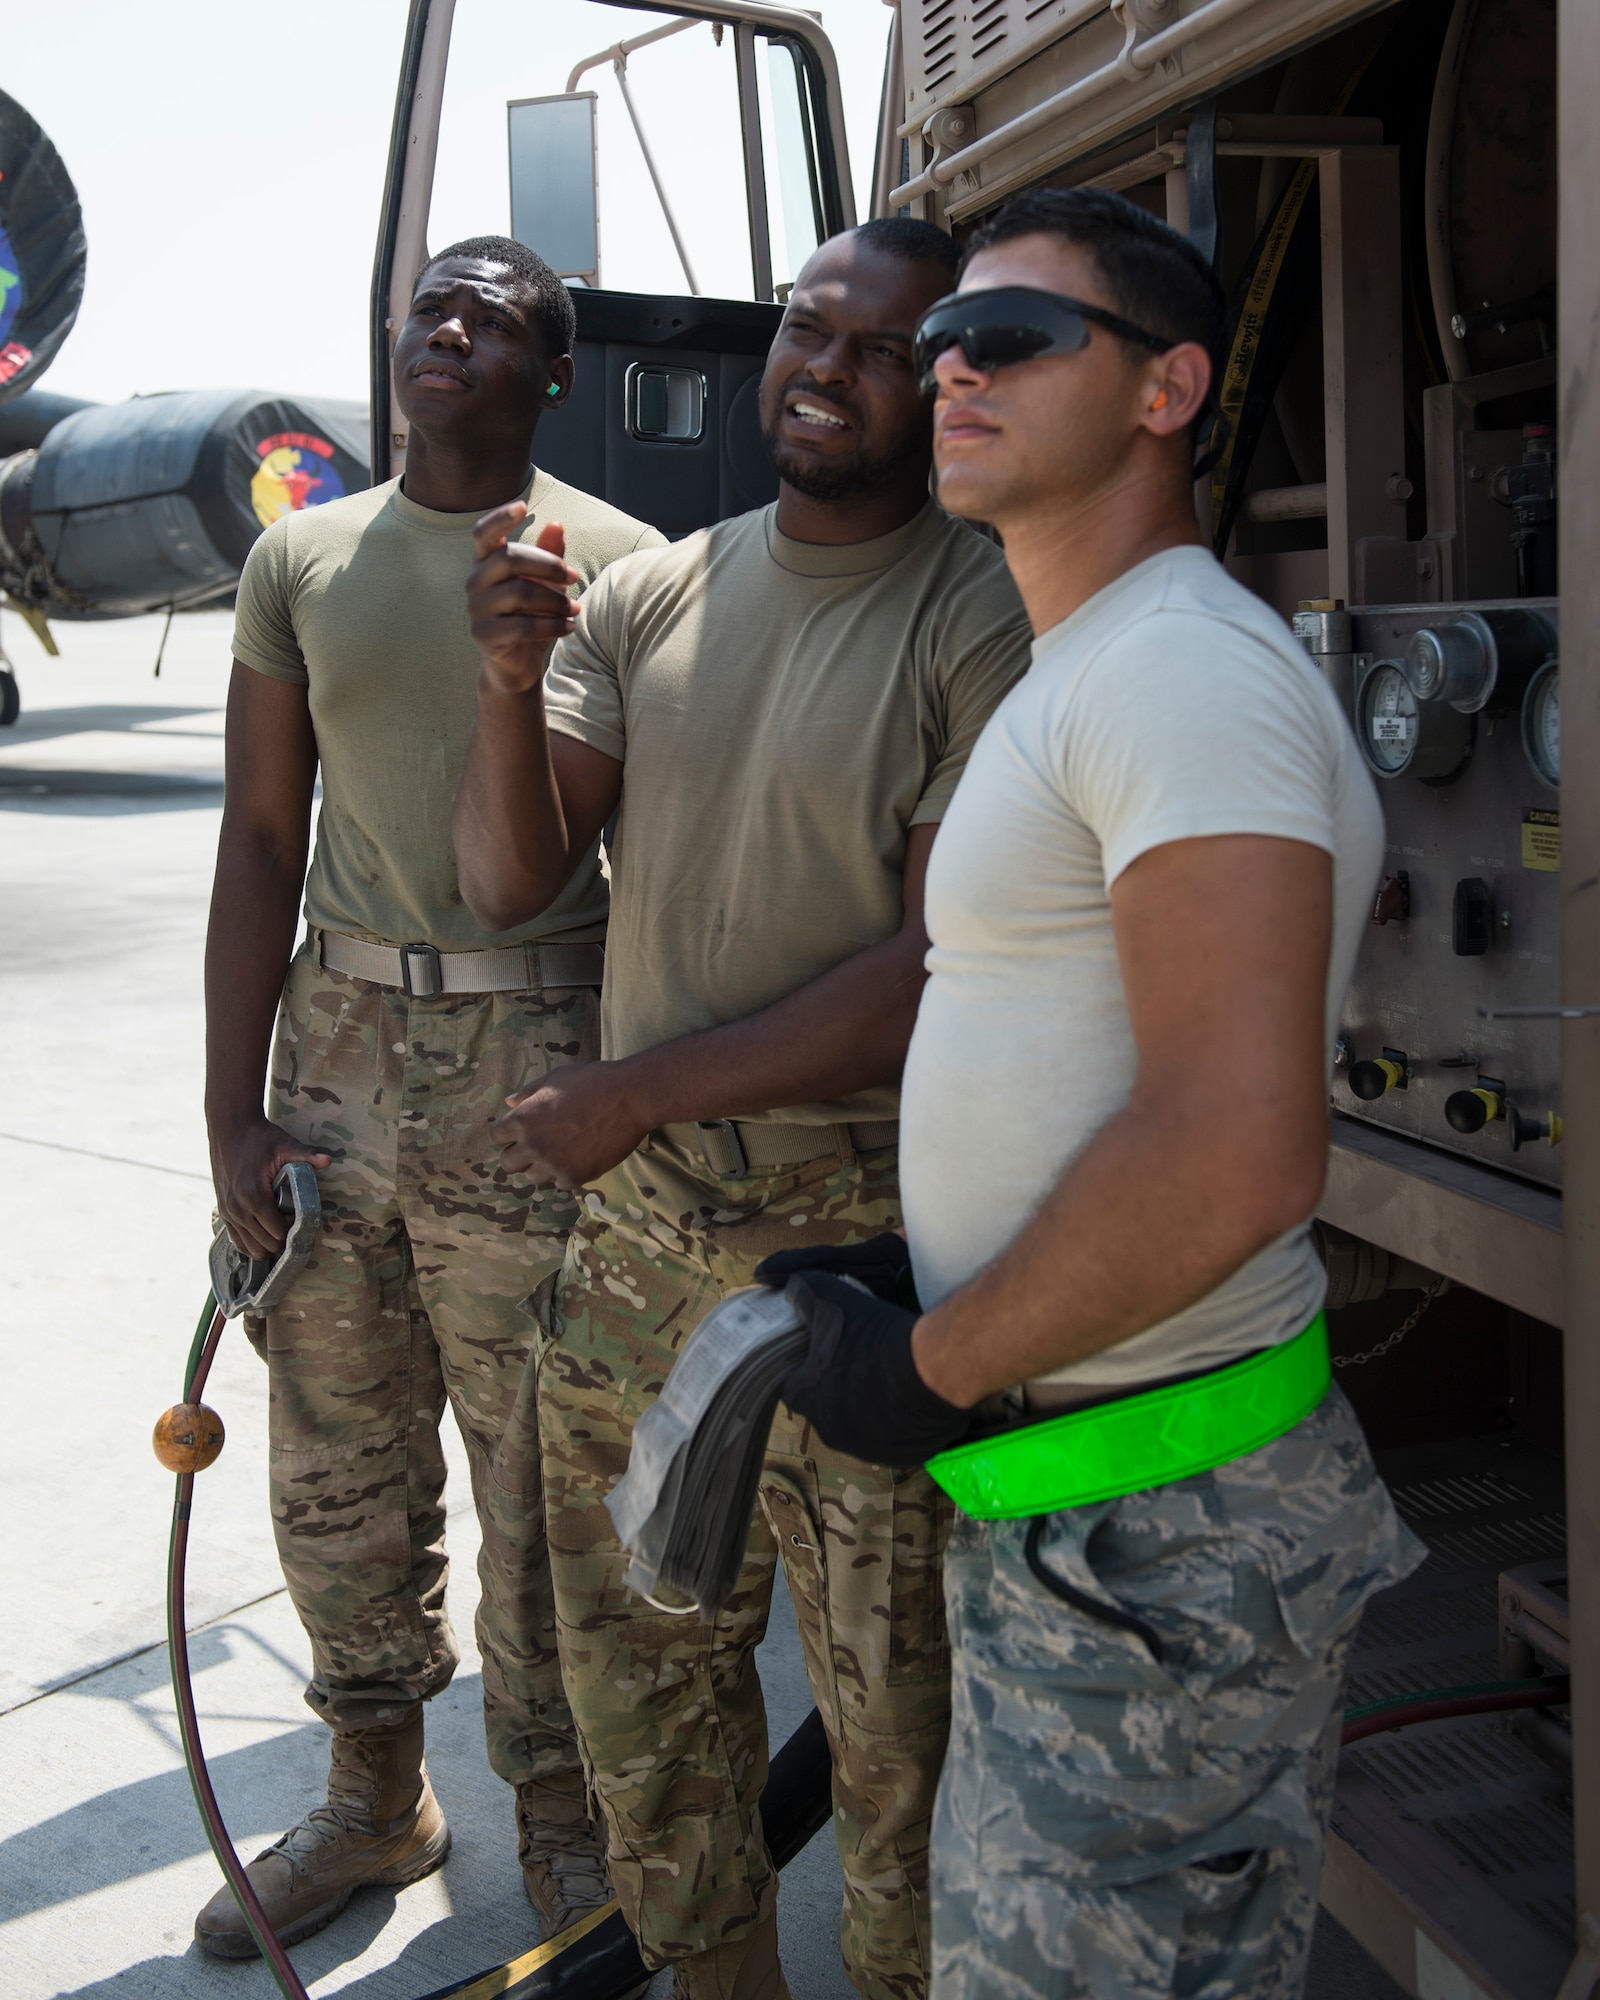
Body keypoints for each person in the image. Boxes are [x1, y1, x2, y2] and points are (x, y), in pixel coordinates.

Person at [763, 187, 1426, 2000]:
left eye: (1017, 337)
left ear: (1166, 389)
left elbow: (1232, 1149)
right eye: (942, 339)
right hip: (1093, 1490)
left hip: (1158, 1529)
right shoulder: (1102, 669)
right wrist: (946, 1272)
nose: (951, 365)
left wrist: (927, 1365)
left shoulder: (1177, 677)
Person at [450, 217, 1033, 2000]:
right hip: (638, 1252)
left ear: (943, 381)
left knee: (891, 1740)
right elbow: (507, 880)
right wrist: (496, 680)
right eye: (805, 327)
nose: (823, 365)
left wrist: (633, 1091)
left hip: (858, 1246)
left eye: (878, 344)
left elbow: (923, 975)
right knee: (646, 1685)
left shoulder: (984, 607)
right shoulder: (655, 594)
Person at [198, 235, 664, 1959]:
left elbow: (658, 862)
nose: (448, 327)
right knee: (336, 1459)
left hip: (534, 1060)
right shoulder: (300, 556)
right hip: (333, 1056)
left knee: (544, 1480)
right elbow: (259, 839)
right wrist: (229, 1112)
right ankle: (376, 1801)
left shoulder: (623, 566)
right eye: (431, 307)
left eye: (499, 319)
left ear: (554, 377)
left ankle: (566, 1829)